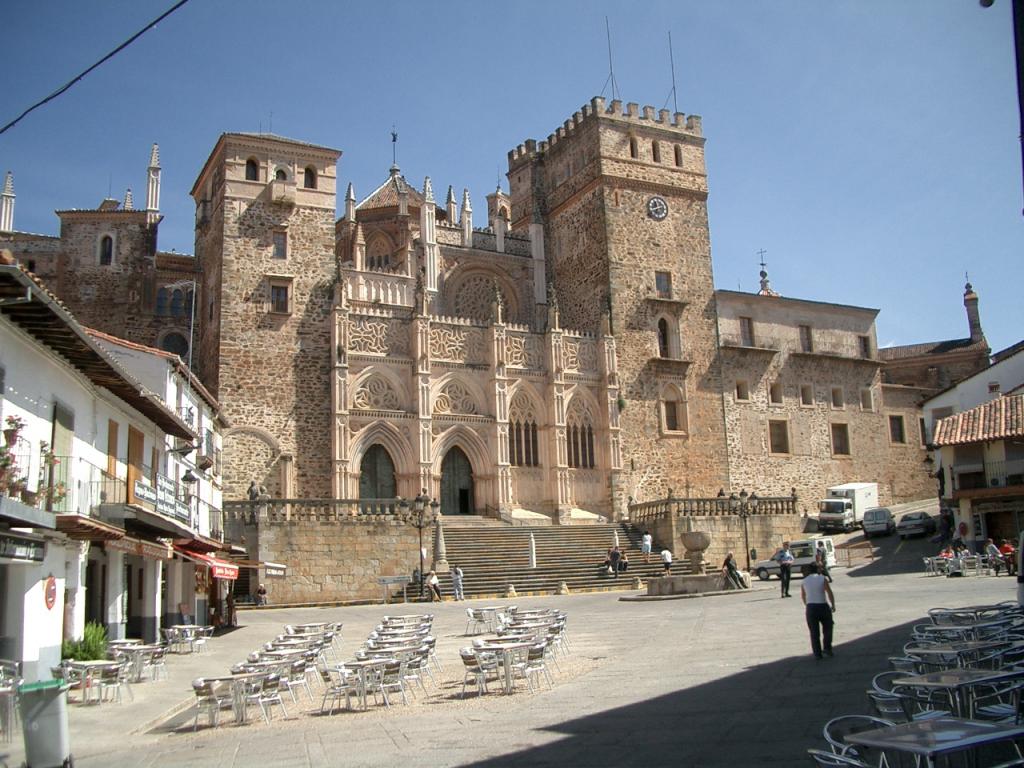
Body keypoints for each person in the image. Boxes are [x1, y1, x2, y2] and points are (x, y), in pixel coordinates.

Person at [801, 564, 836, 660]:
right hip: (823, 605)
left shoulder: (804, 581)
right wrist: (833, 604)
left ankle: (817, 653)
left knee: (814, 632)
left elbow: (803, 596)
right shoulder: (822, 578)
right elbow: (829, 592)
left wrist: (807, 605)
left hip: (811, 607)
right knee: (828, 628)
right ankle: (827, 648)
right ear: (817, 569)